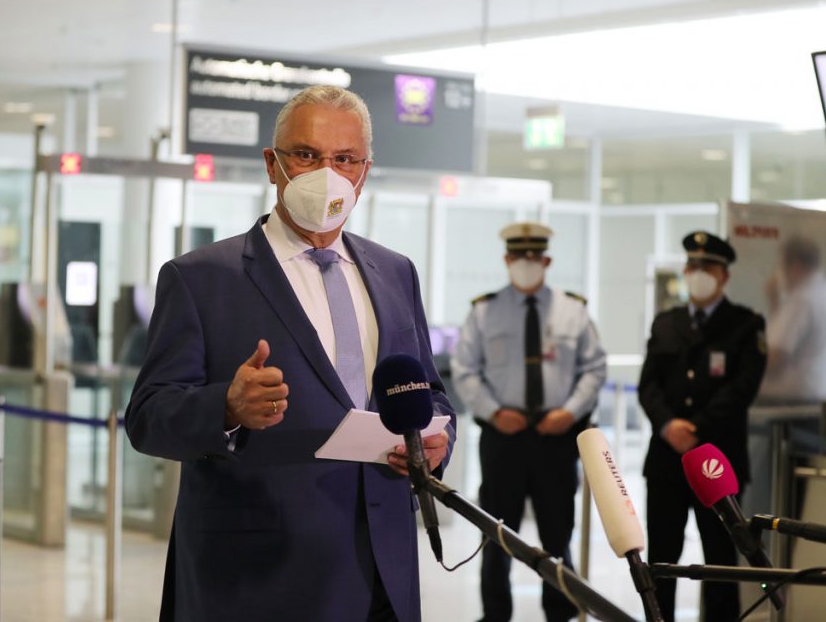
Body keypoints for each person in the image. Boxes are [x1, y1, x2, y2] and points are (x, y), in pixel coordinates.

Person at [126, 85, 456, 622]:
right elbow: (146, 418)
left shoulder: (395, 272)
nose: (326, 173)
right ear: (272, 164)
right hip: (256, 577)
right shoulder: (201, 278)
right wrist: (226, 409)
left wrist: (435, 444)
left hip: (383, 568)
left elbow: (430, 395)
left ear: (364, 173)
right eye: (306, 155)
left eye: (344, 159)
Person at [451, 222, 606, 622]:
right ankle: (495, 614)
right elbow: (465, 369)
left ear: (547, 260)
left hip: (555, 437)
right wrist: (493, 412)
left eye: (534, 257)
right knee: (496, 532)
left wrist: (570, 412)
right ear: (506, 260)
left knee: (558, 533)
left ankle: (560, 611)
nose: (526, 264)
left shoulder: (574, 310)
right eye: (518, 256)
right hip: (503, 438)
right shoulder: (484, 311)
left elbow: (594, 368)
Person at [638, 231, 767, 622]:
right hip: (666, 461)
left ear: (724, 275)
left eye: (706, 267)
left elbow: (742, 388)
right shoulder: (667, 323)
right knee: (661, 559)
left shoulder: (745, 325)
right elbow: (649, 385)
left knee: (720, 559)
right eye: (691, 266)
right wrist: (667, 426)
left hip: (717, 460)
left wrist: (694, 427)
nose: (697, 273)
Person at [758, 235, 826, 403]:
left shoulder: (801, 301)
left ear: (795, 265)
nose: (778, 273)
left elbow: (774, 360)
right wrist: (775, 304)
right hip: (813, 399)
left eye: (780, 265)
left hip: (785, 403)